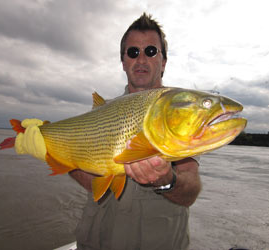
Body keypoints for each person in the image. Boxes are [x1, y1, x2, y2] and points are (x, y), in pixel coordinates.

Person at [69, 13, 201, 250]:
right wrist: (57, 157)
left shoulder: (178, 112)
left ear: (163, 62)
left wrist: (166, 181)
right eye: (133, 52)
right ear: (123, 62)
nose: (141, 59)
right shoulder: (103, 111)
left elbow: (190, 190)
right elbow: (94, 184)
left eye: (151, 51)